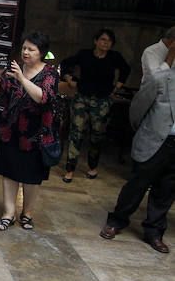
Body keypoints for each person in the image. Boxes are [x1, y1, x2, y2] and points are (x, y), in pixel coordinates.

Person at [0, 32, 59, 233]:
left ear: (42, 53)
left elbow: (43, 97)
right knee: (9, 172)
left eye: (31, 49)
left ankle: (27, 213)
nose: (26, 52)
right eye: (24, 48)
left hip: (36, 134)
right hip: (10, 130)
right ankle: (8, 213)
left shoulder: (50, 73)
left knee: (31, 177)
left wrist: (22, 78)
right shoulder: (13, 69)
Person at [100, 65, 175, 254]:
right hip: (155, 141)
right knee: (136, 185)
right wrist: (143, 134)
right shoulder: (159, 79)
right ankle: (116, 221)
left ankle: (154, 232)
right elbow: (137, 110)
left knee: (166, 190)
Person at [59, 29, 131, 182]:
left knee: (97, 134)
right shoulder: (85, 54)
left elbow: (126, 69)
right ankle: (70, 169)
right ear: (96, 41)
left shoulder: (114, 57)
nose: (106, 43)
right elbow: (65, 63)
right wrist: (68, 79)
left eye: (109, 41)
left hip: (102, 99)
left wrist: (118, 85)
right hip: (82, 96)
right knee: (76, 132)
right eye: (103, 40)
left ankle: (92, 166)